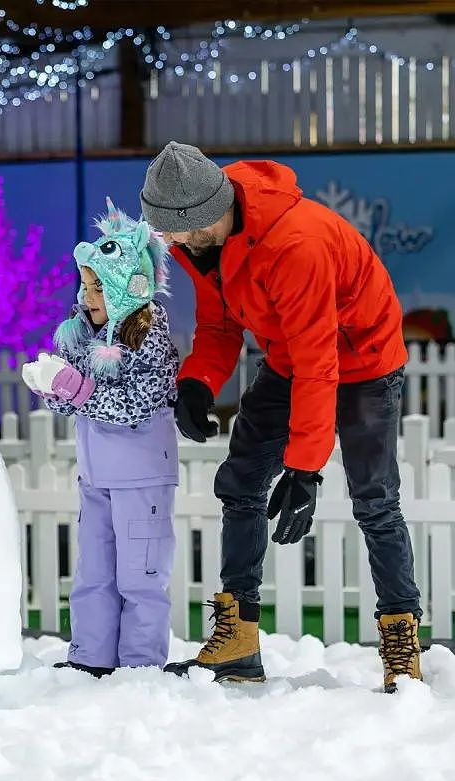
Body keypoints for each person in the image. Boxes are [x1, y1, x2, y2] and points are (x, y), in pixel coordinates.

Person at [141, 141, 420, 692]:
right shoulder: (200, 245)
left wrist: (304, 468)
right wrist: (196, 382)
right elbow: (221, 326)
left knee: (375, 499)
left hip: (361, 359)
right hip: (292, 357)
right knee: (241, 481)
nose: (180, 243)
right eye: (173, 233)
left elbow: (322, 363)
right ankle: (238, 638)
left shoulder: (297, 244)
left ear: (215, 209)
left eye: (190, 230)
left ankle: (400, 637)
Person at [21, 201, 179, 676]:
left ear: (126, 285)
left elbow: (133, 404)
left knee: (141, 576)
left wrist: (77, 389)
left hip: (141, 477)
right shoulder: (83, 334)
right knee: (94, 574)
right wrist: (53, 386)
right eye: (85, 284)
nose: (88, 295)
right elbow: (75, 402)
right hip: (97, 477)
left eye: (98, 286)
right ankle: (90, 657)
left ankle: (138, 665)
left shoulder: (149, 336)